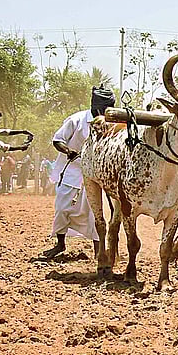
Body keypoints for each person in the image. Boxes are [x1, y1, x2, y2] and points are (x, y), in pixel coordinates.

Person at [42, 85, 115, 259]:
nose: (108, 112)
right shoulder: (76, 120)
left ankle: (99, 251)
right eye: (106, 108)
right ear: (97, 106)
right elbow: (57, 140)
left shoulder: (112, 123)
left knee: (94, 214)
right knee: (62, 209)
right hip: (72, 171)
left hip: (95, 175)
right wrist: (69, 151)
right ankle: (60, 244)